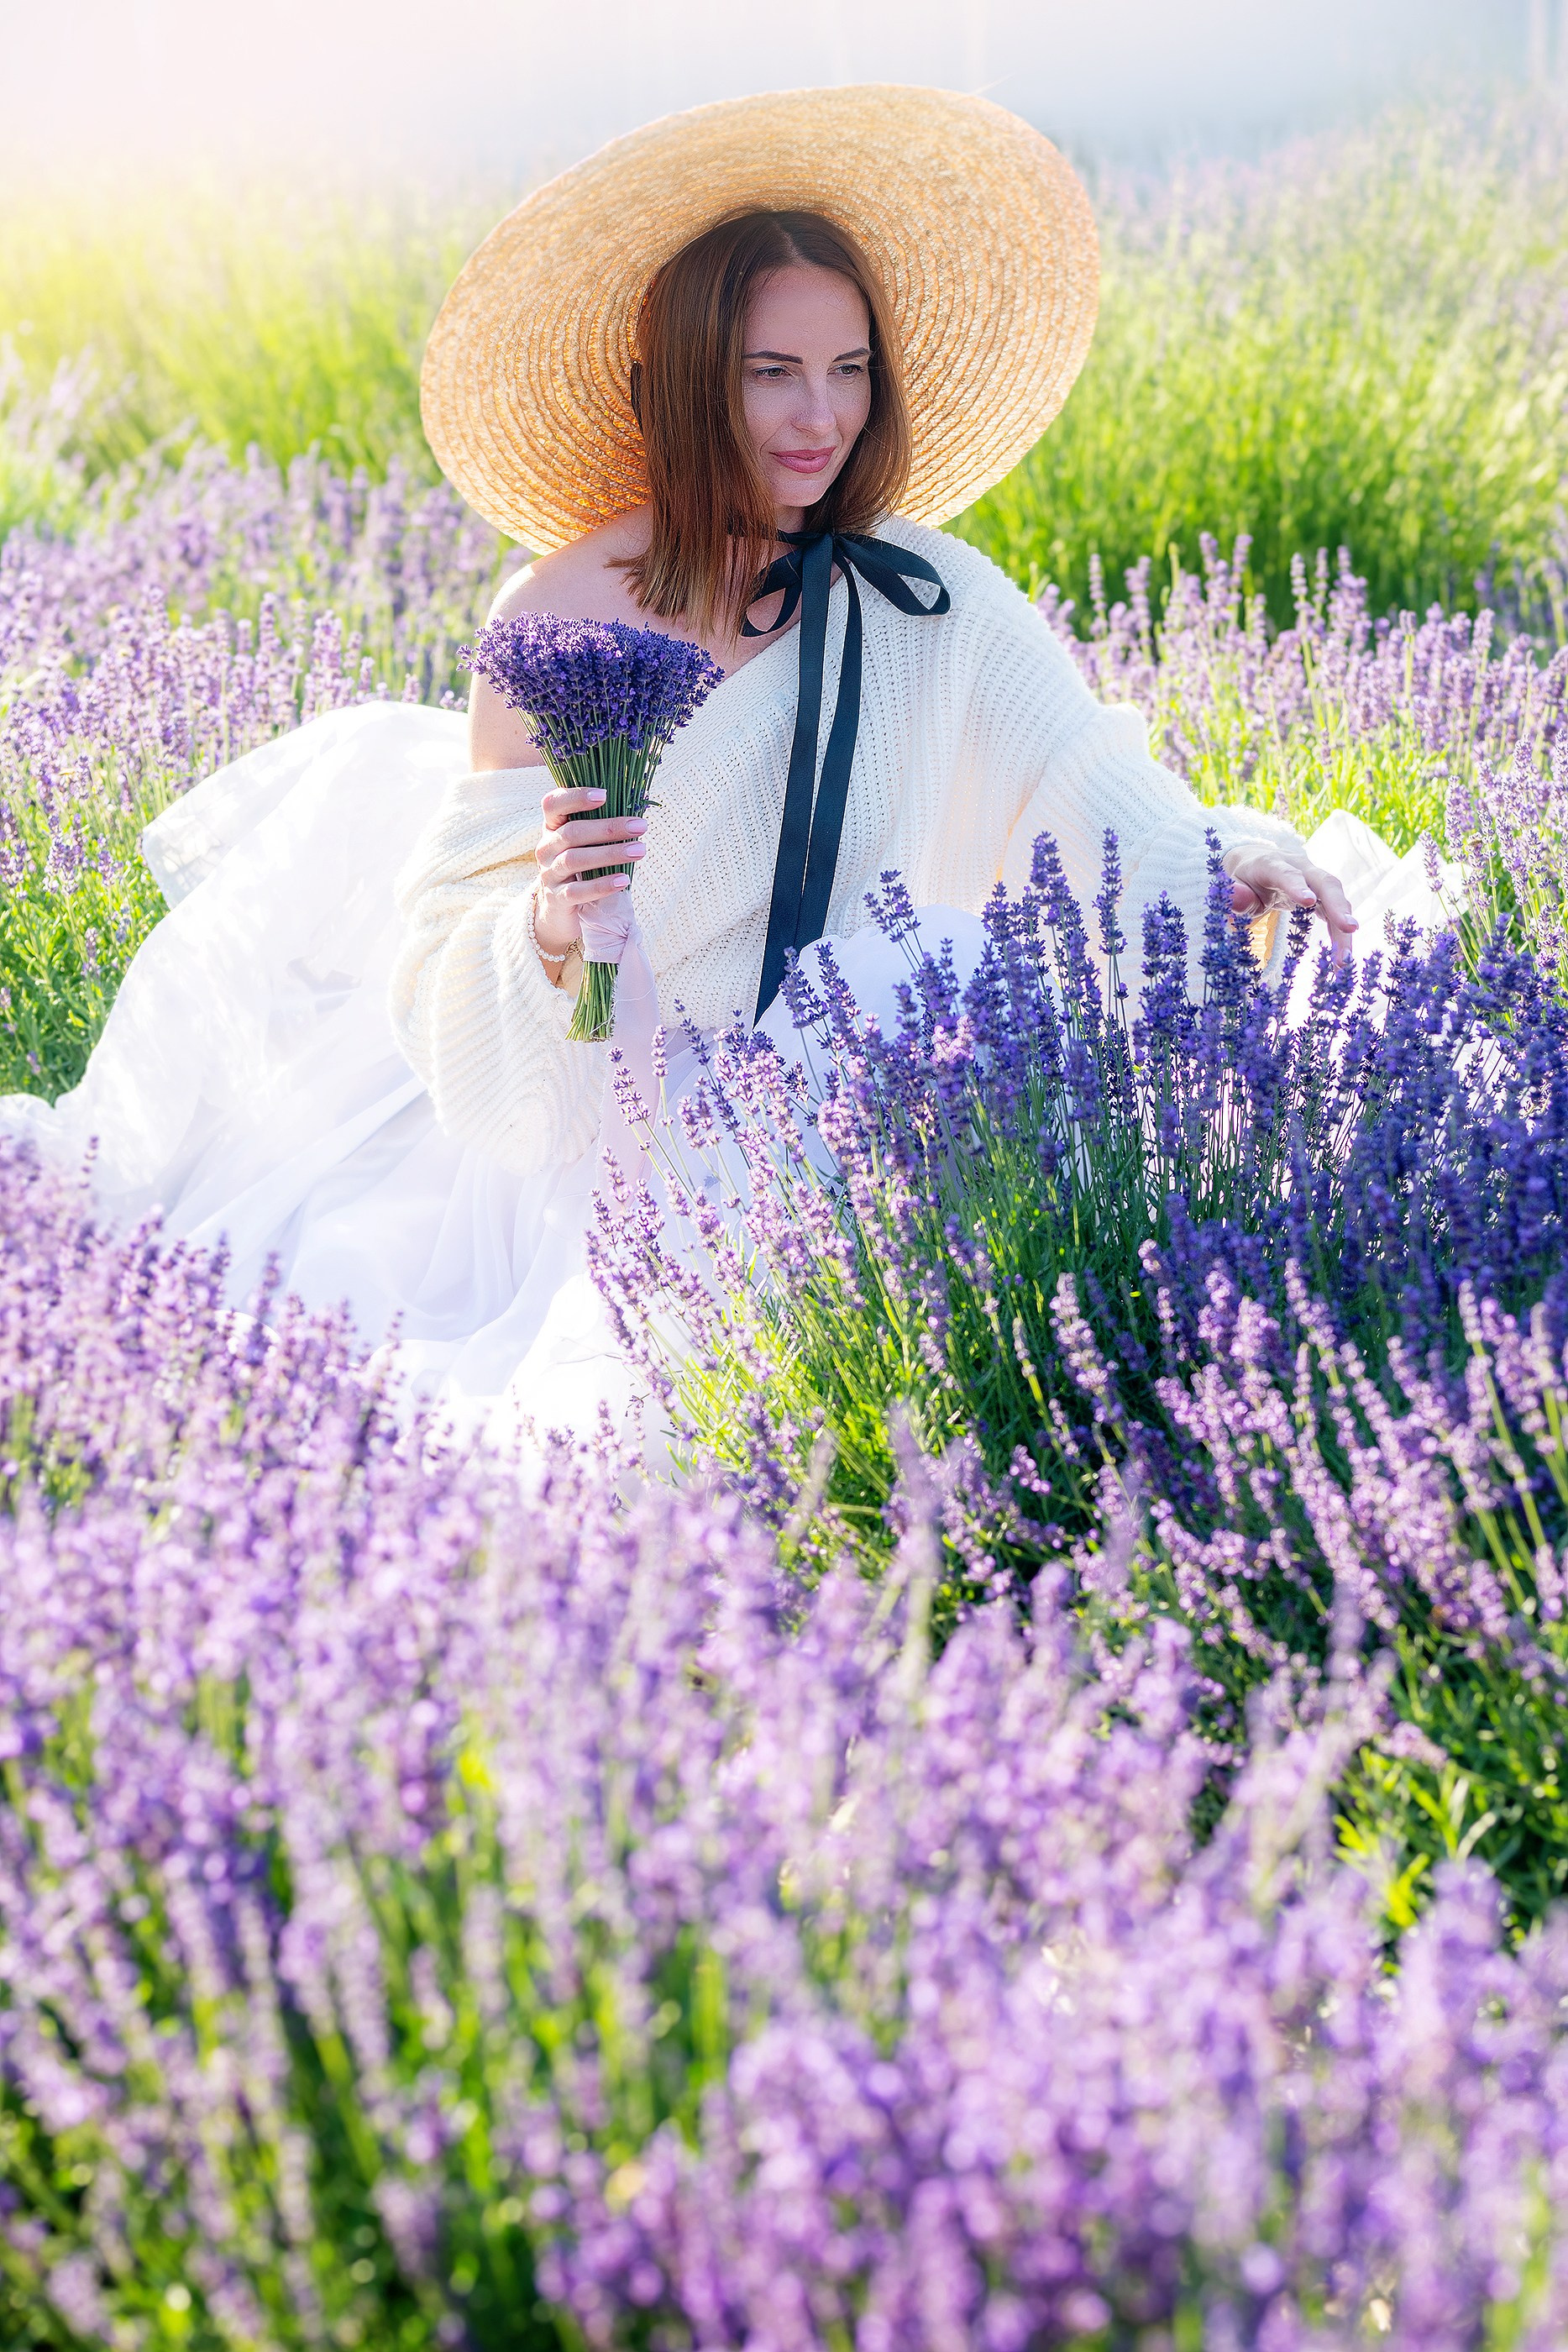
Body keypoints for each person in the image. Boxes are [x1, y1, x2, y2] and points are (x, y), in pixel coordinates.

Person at [1, 87, 1358, 1443]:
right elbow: (454, 940)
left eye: (849, 369)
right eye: (773, 372)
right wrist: (548, 921)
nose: (819, 416)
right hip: (616, 1106)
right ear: (690, 376)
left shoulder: (925, 589)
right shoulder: (562, 613)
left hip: (844, 1061)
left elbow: (1080, 781)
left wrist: (1215, 860)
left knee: (959, 1061)